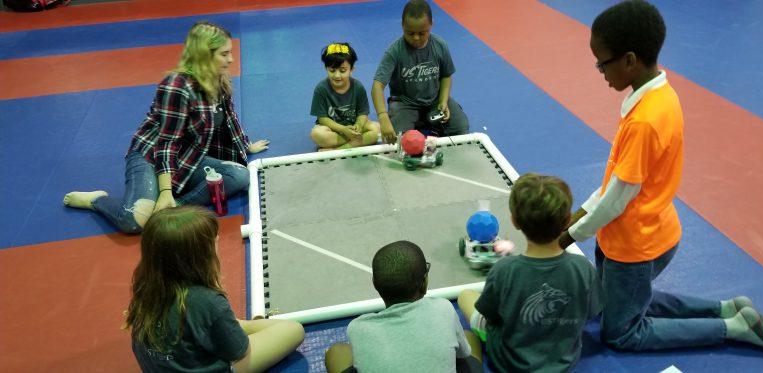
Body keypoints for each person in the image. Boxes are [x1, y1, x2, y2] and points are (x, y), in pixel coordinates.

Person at [557, 0, 763, 351]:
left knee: (622, 332)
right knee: (619, 301)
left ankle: (731, 327)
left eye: (602, 62)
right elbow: (614, 183)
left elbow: (616, 200)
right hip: (633, 234)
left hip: (637, 245)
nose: (599, 70)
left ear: (629, 60)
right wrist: (575, 217)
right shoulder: (659, 95)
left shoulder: (644, 120)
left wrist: (568, 237)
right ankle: (725, 308)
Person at [63, 21, 269, 233]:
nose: (231, 59)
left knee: (240, 176)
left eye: (230, 52)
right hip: (151, 156)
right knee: (132, 222)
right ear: (204, 55)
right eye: (224, 54)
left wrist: (246, 145)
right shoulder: (177, 86)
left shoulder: (218, 78)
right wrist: (165, 191)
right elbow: (166, 144)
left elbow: (228, 117)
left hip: (187, 157)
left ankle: (170, 208)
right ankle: (97, 200)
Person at [125, 206, 305, 372]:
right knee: (294, 330)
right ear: (199, 257)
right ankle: (243, 325)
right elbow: (239, 351)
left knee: (232, 323)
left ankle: (238, 325)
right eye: (213, 243)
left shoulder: (146, 287)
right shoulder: (206, 301)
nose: (218, 243)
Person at [458, 173, 600, 372]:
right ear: (568, 219)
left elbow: (490, 316)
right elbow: (589, 313)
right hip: (564, 360)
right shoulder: (583, 268)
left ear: (514, 221)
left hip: (509, 361)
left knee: (466, 296)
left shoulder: (504, 270)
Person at [325, 240, 482, 373]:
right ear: (425, 283)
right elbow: (463, 354)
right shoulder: (443, 309)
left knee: (336, 352)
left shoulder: (357, 328)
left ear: (375, 284)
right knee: (468, 337)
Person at [372, 0, 468, 144]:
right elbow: (377, 86)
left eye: (422, 33)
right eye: (410, 33)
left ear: (431, 25)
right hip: (404, 104)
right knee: (398, 141)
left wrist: (443, 101)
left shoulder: (440, 45)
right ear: (402, 26)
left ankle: (426, 122)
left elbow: (446, 76)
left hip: (434, 100)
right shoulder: (395, 51)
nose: (416, 38)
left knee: (461, 129)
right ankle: (422, 123)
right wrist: (383, 118)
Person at [310, 42, 380, 150]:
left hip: (354, 127)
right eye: (332, 70)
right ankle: (355, 143)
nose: (337, 75)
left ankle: (337, 150)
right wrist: (343, 130)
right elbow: (322, 119)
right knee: (316, 134)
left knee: (377, 129)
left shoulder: (358, 87)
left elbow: (362, 113)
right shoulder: (321, 89)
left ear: (352, 70)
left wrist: (359, 125)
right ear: (326, 69)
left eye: (342, 71)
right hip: (332, 128)